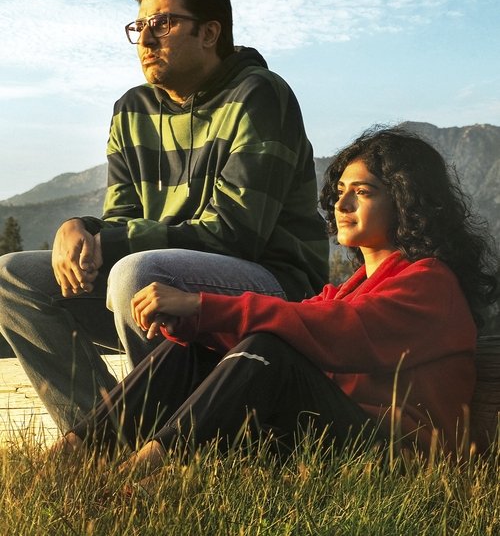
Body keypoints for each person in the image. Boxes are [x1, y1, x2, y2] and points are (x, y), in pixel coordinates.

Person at [55, 127, 498, 475]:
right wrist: (195, 327)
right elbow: (309, 320)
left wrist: (201, 305)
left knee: (269, 349)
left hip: (399, 456)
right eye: (340, 190)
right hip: (335, 435)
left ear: (405, 201)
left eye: (363, 192)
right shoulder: (350, 287)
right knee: (192, 349)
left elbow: (341, 332)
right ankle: (76, 453)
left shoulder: (430, 282)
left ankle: (147, 468)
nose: (341, 203)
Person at [0, 0, 329, 431]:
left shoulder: (260, 94)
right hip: (163, 275)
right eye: (139, 27)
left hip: (275, 285)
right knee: (12, 277)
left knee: (138, 272)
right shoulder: (131, 110)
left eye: (163, 23)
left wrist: (111, 241)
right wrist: (83, 230)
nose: (146, 40)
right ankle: (106, 435)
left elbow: (237, 235)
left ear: (209, 33)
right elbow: (122, 218)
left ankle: (173, 437)